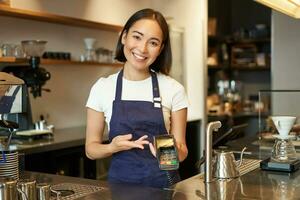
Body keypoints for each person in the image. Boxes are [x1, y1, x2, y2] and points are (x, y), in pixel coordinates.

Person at [85, 8, 189, 188]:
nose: (142, 48)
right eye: (137, 37)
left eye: (153, 42)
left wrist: (167, 155)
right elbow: (90, 149)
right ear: (124, 36)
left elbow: (182, 150)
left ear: (160, 49)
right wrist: (112, 147)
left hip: (164, 188)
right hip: (120, 190)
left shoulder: (173, 89)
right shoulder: (102, 87)